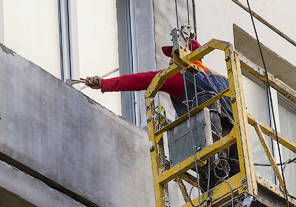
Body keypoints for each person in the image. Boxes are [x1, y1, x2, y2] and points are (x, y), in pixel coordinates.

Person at [83, 40, 237, 186]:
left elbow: (142, 79)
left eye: (173, 56)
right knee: (235, 183)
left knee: (214, 185)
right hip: (235, 137)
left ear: (185, 55)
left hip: (211, 136)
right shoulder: (223, 79)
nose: (170, 62)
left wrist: (105, 84)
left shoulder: (182, 75)